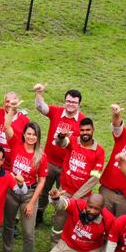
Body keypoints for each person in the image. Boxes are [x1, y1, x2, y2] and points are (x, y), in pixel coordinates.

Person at [0, 107, 48, 252]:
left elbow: (42, 180)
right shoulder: (16, 144)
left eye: (33, 135)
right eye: (28, 133)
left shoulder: (40, 156)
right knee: (8, 224)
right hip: (12, 191)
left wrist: (32, 202)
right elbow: (6, 127)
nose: (30, 137)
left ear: (37, 137)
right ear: (24, 134)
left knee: (28, 232)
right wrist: (12, 111)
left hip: (29, 193)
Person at [33, 84, 84, 224]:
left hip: (67, 165)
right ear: (64, 101)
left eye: (74, 102)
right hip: (49, 161)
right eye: (68, 101)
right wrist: (39, 93)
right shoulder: (56, 111)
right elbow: (41, 107)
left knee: (63, 192)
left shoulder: (82, 122)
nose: (71, 104)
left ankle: (59, 216)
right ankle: (40, 212)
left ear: (79, 104)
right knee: (43, 189)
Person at [50, 117, 105, 245]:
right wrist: (61, 136)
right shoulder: (73, 141)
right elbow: (60, 143)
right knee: (59, 221)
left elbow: (94, 179)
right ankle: (54, 247)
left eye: (88, 130)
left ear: (93, 130)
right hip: (64, 191)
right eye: (82, 130)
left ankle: (72, 247)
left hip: (82, 197)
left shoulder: (99, 151)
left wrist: (75, 198)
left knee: (77, 223)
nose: (85, 133)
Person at [0, 91, 30, 161]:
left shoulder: (25, 120)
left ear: (17, 103)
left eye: (12, 102)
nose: (10, 104)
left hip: (12, 162)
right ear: (3, 103)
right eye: (7, 101)